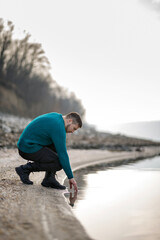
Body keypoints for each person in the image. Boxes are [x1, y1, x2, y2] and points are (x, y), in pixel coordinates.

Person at [15, 112, 82, 192]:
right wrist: (70, 177)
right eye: (74, 128)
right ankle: (24, 169)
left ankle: (49, 179)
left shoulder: (57, 117)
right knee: (59, 163)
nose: (72, 132)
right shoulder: (58, 126)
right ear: (70, 121)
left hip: (27, 144)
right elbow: (63, 154)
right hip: (27, 148)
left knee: (56, 146)